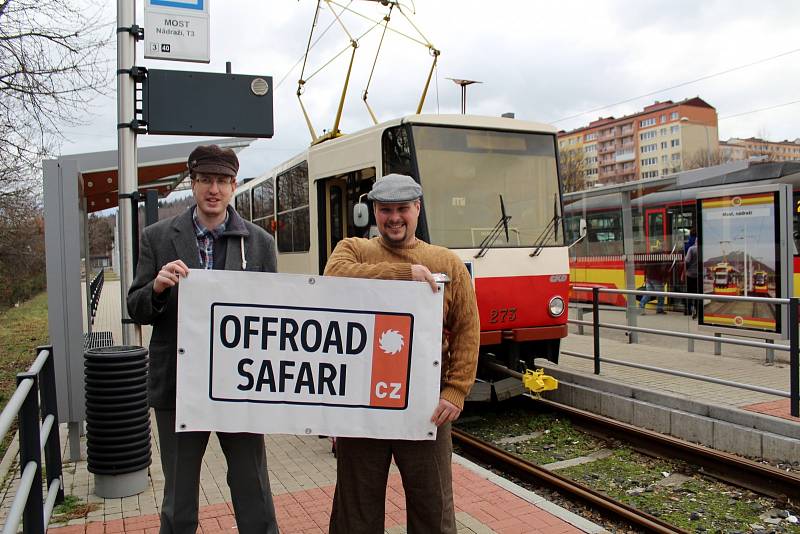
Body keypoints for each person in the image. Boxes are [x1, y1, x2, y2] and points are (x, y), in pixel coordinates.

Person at [127, 145, 279, 534]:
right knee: (178, 501)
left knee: (254, 491)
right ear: (193, 184)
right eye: (206, 180)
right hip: (180, 387)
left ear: (233, 186)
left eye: (223, 182)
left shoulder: (259, 243)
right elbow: (136, 306)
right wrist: (158, 290)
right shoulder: (157, 237)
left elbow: (274, 316)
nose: (214, 189)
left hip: (240, 386)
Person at [324, 174, 480, 534]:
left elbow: (468, 329)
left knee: (433, 505)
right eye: (385, 210)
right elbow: (335, 276)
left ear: (417, 209)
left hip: (425, 406)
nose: (394, 218)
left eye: (402, 209)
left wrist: (456, 390)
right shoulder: (354, 249)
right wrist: (402, 274)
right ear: (375, 212)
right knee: (356, 507)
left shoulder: (446, 262)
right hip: (362, 402)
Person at [685, 237, 699, 319]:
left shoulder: (692, 249)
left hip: (690, 275)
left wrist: (684, 272)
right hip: (698, 276)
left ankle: (689, 310)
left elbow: (687, 261)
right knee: (697, 294)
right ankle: (697, 310)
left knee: (689, 293)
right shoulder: (702, 249)